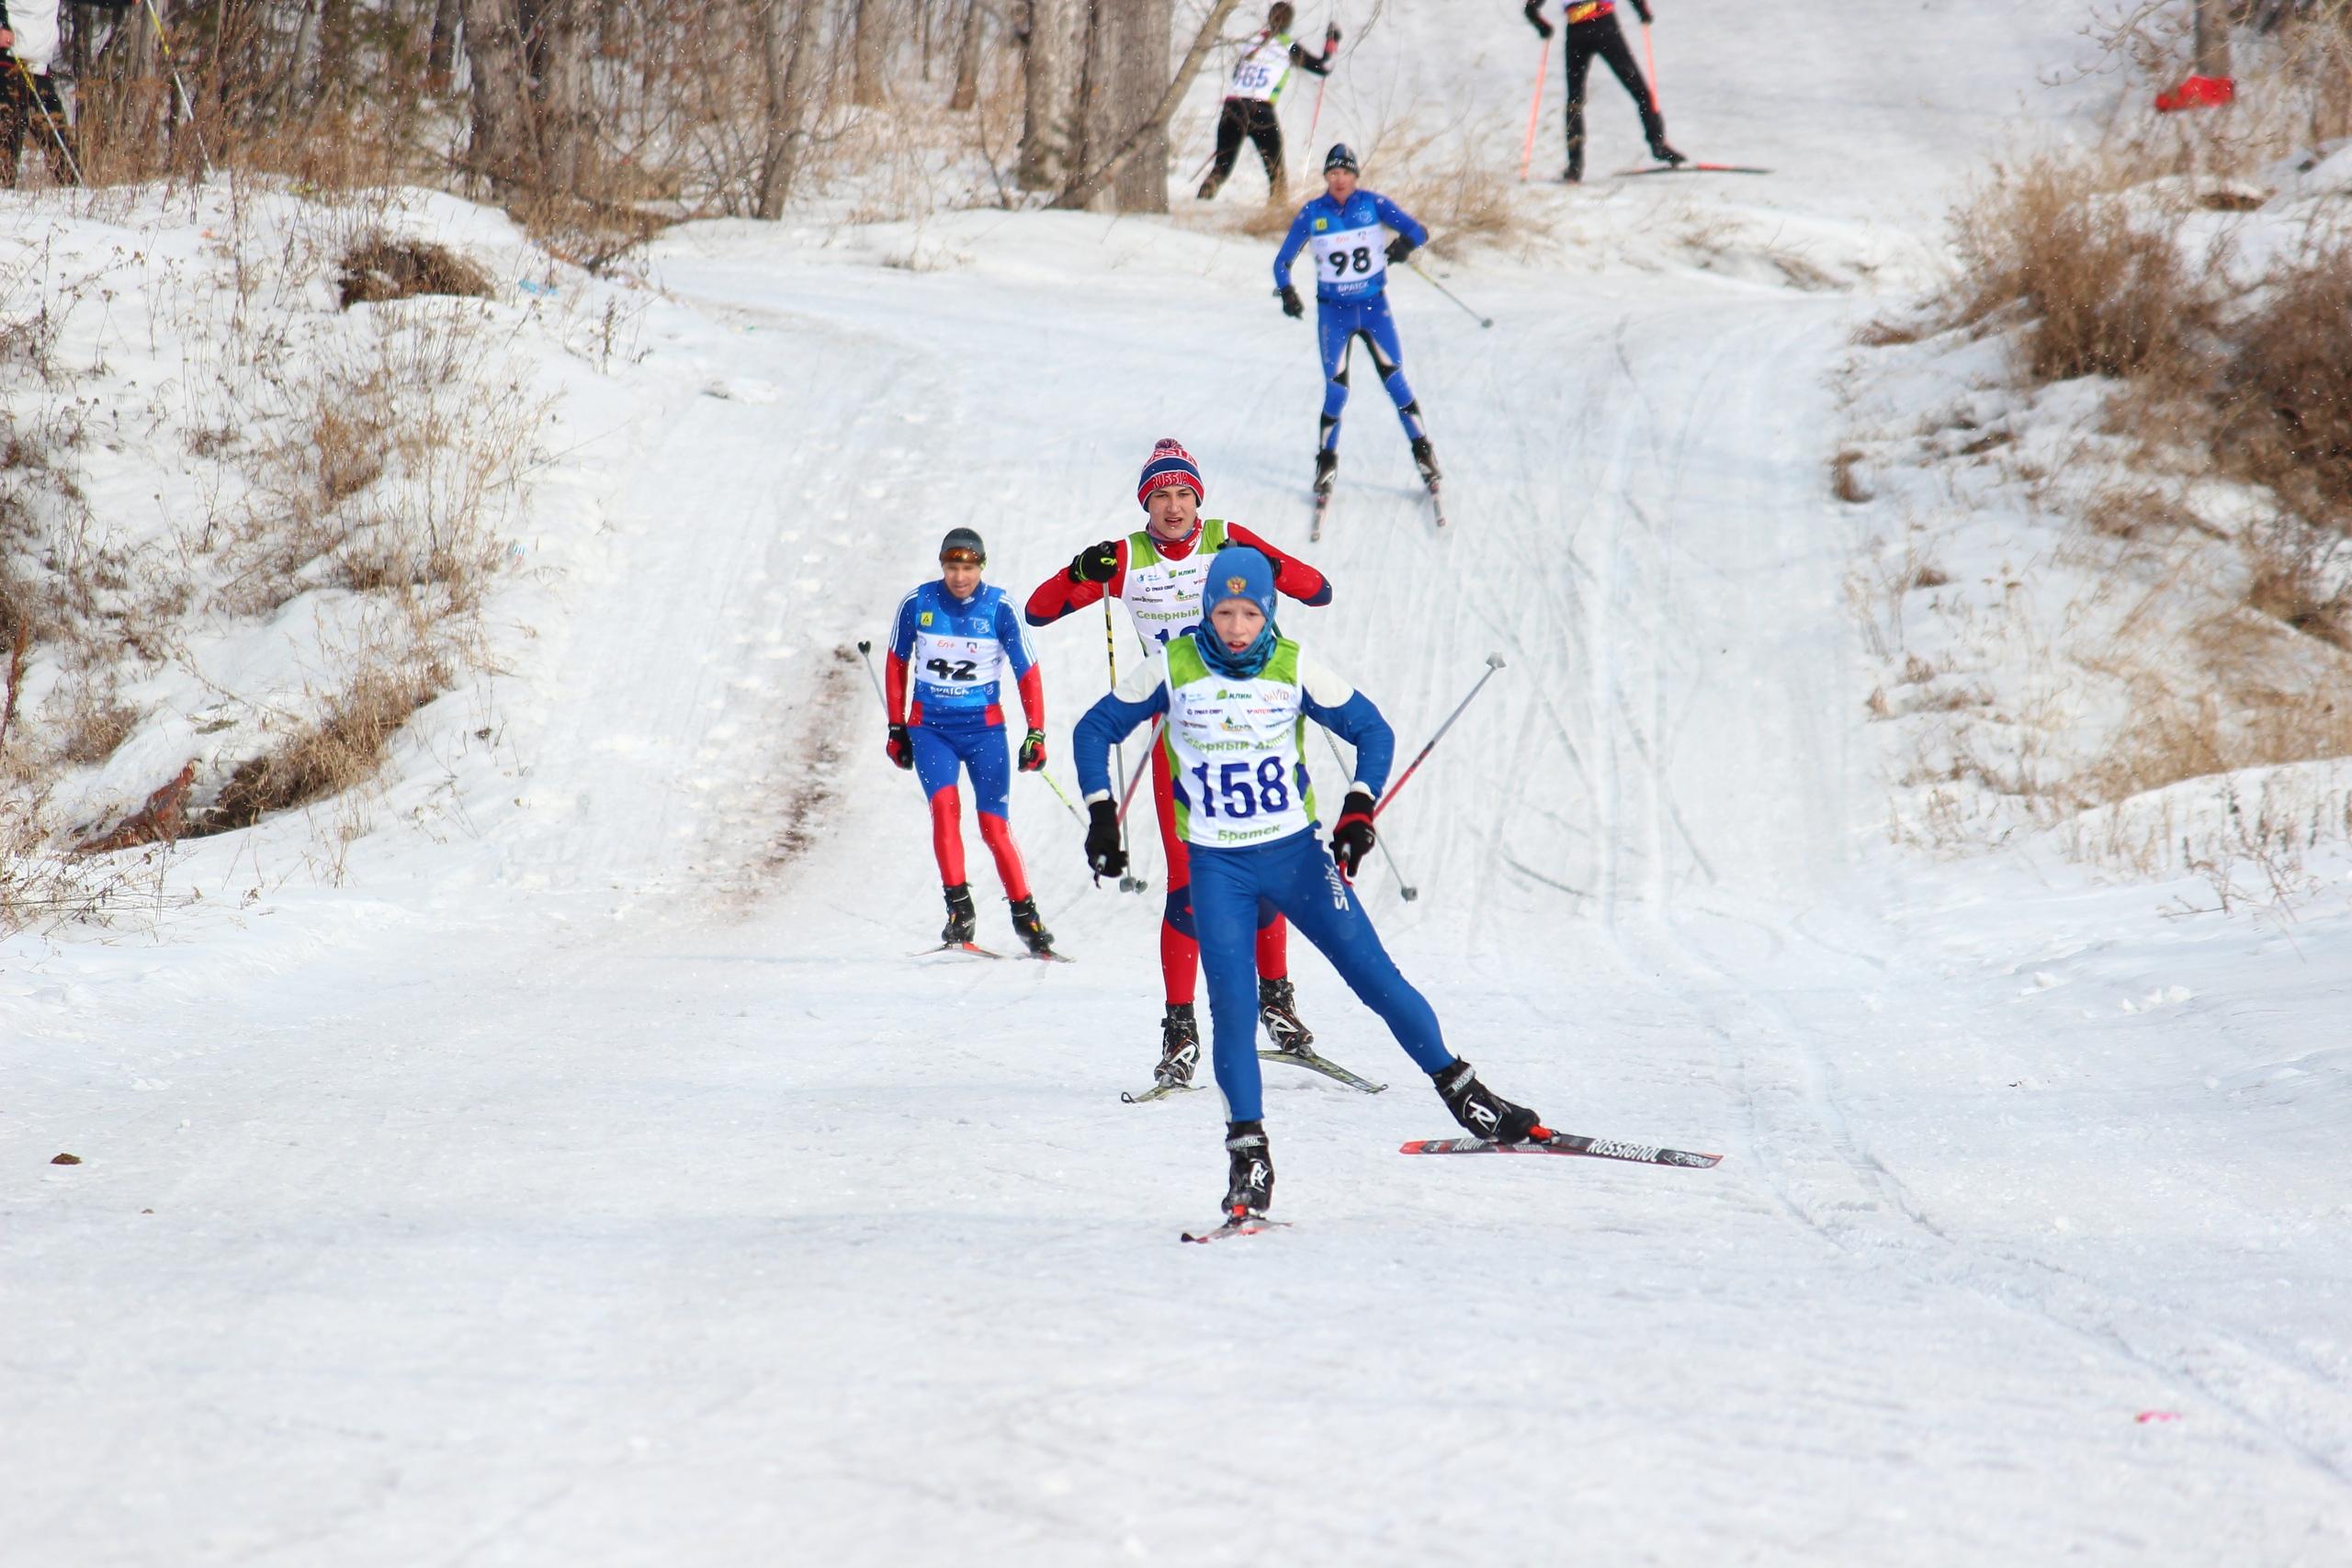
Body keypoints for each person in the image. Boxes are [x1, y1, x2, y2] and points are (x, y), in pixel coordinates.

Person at [1072, 546, 1546, 1222]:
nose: (1236, 627)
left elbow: (1371, 729)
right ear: (1207, 609)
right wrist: (1100, 814)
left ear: (1269, 611)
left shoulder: (1293, 663)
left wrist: (1358, 806)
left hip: (1296, 856)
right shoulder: (1172, 666)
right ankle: (1249, 1155)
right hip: (1218, 865)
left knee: (1376, 976)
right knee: (1233, 1010)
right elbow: (1094, 729)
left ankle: (1466, 1091)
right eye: (1224, 611)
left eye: (1250, 613)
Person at [1025, 439, 1334, 1089]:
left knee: (1268, 873)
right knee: (1187, 886)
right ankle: (1180, 1029)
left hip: (1254, 732)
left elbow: (1318, 589)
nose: (1173, 506)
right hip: (1182, 736)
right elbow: (1039, 609)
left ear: (1199, 498)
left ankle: (1275, 1002)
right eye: (1160, 495)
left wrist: (1260, 562)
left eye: (1182, 493)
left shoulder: (1226, 541)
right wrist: (1081, 568)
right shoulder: (1126, 558)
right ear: (1146, 504)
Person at [885, 527, 1056, 956]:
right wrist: (895, 727)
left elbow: (1027, 672)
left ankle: (1027, 918)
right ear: (941, 565)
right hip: (931, 730)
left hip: (984, 732)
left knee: (993, 826)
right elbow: (896, 662)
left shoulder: (999, 607)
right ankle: (959, 913)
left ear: (982, 566)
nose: (960, 577)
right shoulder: (917, 602)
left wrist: (1036, 731)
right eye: (952, 567)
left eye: (968, 567)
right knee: (944, 812)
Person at [1272, 144, 1438, 502]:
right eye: (1333, 174)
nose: (1339, 180)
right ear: (1326, 178)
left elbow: (1419, 230)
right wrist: (1287, 292)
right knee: (1337, 391)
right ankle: (1326, 464)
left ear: (1355, 176)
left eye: (1345, 173)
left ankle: (1425, 455)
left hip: (1374, 307)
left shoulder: (1373, 205)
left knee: (1395, 381)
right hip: (1334, 312)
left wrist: (1404, 246)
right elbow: (1281, 262)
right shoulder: (1313, 213)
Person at [1521, 0, 1683, 183]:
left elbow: (1531, 8)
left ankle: (1574, 167)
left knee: (1575, 99)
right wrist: (1642, 11)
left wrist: (1542, 26)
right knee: (1640, 91)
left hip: (1576, 31)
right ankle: (1658, 144)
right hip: (1605, 26)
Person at [1198, 2, 1338, 202]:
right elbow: (1325, 67)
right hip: (1260, 111)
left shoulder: (1251, 42)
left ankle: (1200, 203)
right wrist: (1332, 40)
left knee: (1222, 166)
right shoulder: (1287, 46)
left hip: (1232, 107)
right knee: (1276, 171)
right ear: (1289, 24)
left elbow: (1237, 72)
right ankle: (1276, 213)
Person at [0, 0, 76, 189]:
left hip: (38, 67)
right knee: (10, 135)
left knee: (58, 139)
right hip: (8, 62)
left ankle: (74, 194)